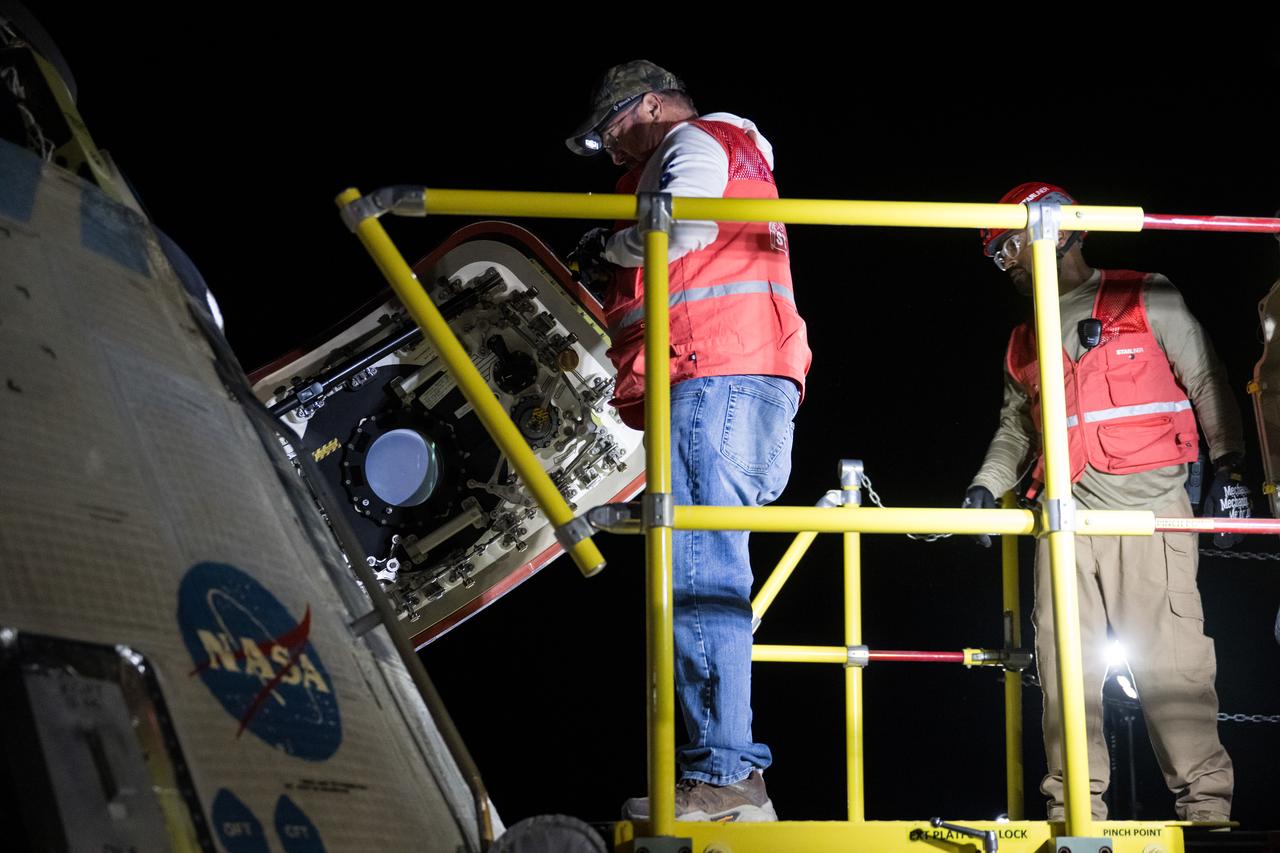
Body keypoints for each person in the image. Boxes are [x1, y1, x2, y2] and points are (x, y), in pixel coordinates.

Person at [566, 60, 811, 822]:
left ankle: (727, 775)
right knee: (708, 569)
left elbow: (685, 226)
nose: (609, 150)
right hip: (738, 377)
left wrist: (605, 254)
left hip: (712, 375)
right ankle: (727, 772)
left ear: (649, 106)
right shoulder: (729, 151)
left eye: (610, 130)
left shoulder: (695, 144)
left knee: (702, 571)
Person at [963, 181, 1251, 822]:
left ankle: (1206, 809)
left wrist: (1229, 467)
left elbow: (1206, 375)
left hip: (1146, 514)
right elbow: (1015, 428)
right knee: (1066, 672)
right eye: (997, 254)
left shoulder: (1144, 293)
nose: (1004, 262)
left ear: (1058, 232)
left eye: (1006, 245)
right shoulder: (1023, 338)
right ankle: (1074, 811)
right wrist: (987, 485)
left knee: (1172, 664)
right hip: (1062, 525)